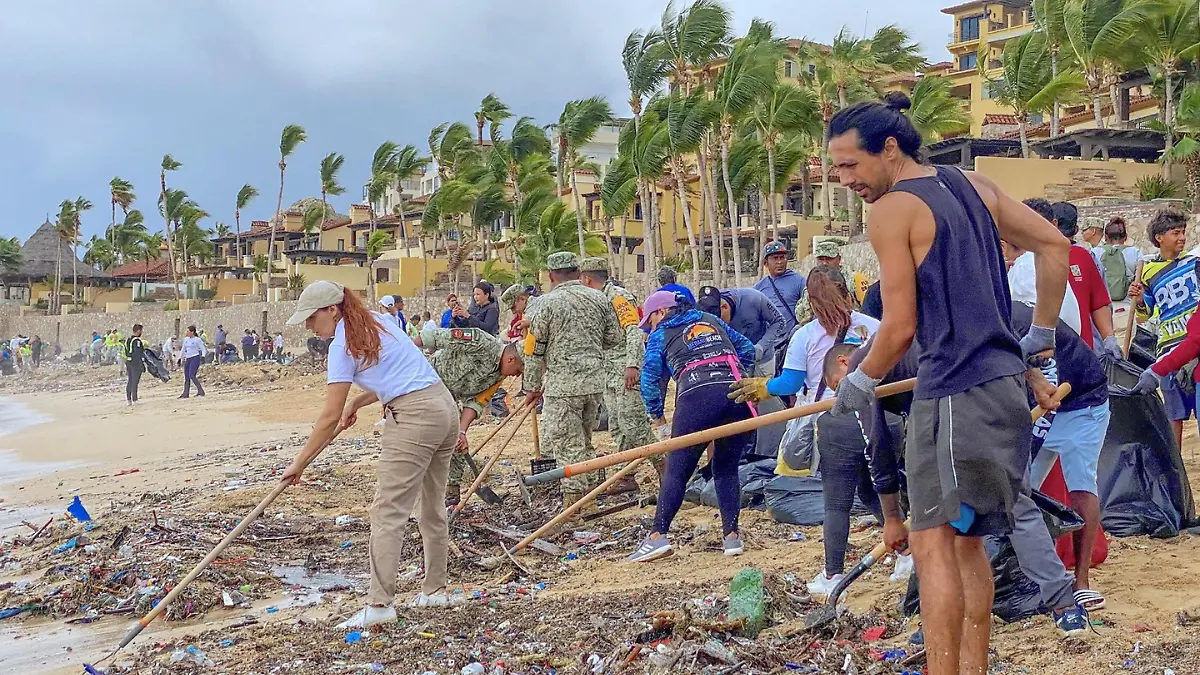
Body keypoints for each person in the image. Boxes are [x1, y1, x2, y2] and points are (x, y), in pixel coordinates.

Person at [826, 92, 1068, 675]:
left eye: (851, 165)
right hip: (1002, 389)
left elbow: (900, 327)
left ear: (889, 149)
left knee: (931, 542)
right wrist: (1039, 335)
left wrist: (859, 378)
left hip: (954, 392)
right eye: (836, 168)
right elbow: (1055, 245)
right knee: (967, 542)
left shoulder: (892, 210)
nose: (844, 180)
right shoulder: (973, 185)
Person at [825, 336, 1092, 636]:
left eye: (838, 386)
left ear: (844, 363)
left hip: (958, 404)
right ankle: (1065, 606)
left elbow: (877, 445)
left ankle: (939, 624)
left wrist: (891, 519)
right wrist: (1033, 378)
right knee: (1011, 504)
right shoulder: (923, 329)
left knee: (943, 526)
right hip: (998, 391)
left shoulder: (864, 369)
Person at [280, 281, 459, 627]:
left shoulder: (342, 344)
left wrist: (298, 463)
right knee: (432, 505)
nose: (309, 326)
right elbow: (403, 372)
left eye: (312, 318)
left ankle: (379, 607)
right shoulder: (378, 320)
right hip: (443, 407)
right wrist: (359, 401)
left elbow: (328, 417)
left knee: (387, 511)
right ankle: (435, 592)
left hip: (415, 418)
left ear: (333, 309)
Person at [729, 265, 881, 596]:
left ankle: (832, 575)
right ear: (847, 291)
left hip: (832, 420)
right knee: (873, 487)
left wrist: (763, 386)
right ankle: (905, 554)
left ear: (810, 302)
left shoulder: (806, 336)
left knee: (836, 503)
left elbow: (792, 383)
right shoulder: (873, 327)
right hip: (874, 417)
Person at [632, 291, 757, 562]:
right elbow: (747, 348)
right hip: (737, 394)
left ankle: (657, 536)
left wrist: (658, 417)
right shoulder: (709, 319)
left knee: (677, 469)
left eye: (649, 321)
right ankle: (732, 537)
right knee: (725, 468)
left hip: (697, 396)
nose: (649, 329)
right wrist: (743, 378)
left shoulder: (661, 334)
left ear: (660, 313)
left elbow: (650, 378)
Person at [1011, 301, 1111, 612]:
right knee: (1018, 490)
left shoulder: (1009, 321)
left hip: (1081, 402)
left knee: (1080, 483)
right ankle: (1024, 577)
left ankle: (1080, 582)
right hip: (1038, 403)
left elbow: (1043, 380)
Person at [522, 252, 623, 508]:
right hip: (594, 383)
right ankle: (590, 494)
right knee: (584, 441)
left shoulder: (546, 304)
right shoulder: (599, 299)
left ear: (550, 275)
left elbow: (534, 350)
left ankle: (576, 505)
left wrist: (532, 387)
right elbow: (614, 338)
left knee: (567, 446)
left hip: (563, 387)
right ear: (579, 274)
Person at [417, 326, 525, 506]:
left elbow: (475, 402)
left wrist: (462, 431)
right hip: (427, 380)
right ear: (511, 359)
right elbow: (435, 337)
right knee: (425, 436)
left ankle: (452, 494)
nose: (518, 375)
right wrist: (405, 351)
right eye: (519, 369)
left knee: (457, 442)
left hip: (450, 397)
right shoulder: (480, 341)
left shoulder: (499, 377)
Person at [580, 257, 655, 491]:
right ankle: (627, 475)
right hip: (608, 372)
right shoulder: (597, 300)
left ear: (586, 278)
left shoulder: (618, 297)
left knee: (634, 424)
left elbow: (633, 331)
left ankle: (666, 466)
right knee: (618, 427)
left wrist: (632, 364)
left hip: (625, 370)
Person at [1129, 208, 1199, 450]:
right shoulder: (1146, 272)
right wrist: (1138, 300)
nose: (1182, 238)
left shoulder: (1195, 264)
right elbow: (1145, 314)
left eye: (1183, 232)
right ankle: (1176, 467)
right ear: (1159, 237)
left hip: (1194, 346)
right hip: (1168, 347)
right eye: (1176, 233)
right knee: (1174, 415)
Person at [1027, 199, 1119, 358]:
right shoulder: (1018, 262)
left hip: (1081, 353)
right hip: (1036, 356)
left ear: (1053, 224)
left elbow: (1098, 303)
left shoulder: (1081, 256)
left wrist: (1109, 338)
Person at [696, 285, 788, 378]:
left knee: (765, 391)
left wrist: (761, 346)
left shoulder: (753, 298)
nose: (720, 326)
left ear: (724, 307)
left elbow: (779, 321)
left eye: (720, 321)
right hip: (734, 364)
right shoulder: (701, 315)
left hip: (763, 360)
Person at [1095, 216, 1142, 345]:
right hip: (1125, 311)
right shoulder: (1135, 253)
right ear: (1125, 236)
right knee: (1122, 357)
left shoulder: (1095, 253)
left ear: (1106, 237)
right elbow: (1140, 282)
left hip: (1100, 313)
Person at [754, 241, 805, 334]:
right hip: (769, 341)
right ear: (766, 263)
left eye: (782, 258)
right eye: (775, 258)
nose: (779, 262)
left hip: (792, 338)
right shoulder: (759, 287)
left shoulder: (799, 282)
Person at [123, 324, 149, 405]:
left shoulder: (128, 340)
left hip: (128, 362)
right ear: (138, 331)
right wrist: (142, 365)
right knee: (135, 381)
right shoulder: (137, 341)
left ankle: (128, 399)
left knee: (130, 380)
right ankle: (135, 399)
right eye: (141, 331)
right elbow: (138, 354)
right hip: (135, 363)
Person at [179, 325, 207, 398]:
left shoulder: (197, 340)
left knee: (192, 375)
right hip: (188, 358)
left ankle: (200, 391)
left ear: (192, 332)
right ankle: (186, 393)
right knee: (186, 376)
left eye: (188, 331)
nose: (186, 332)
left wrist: (203, 356)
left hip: (195, 358)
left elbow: (203, 348)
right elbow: (183, 349)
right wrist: (180, 358)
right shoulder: (186, 339)